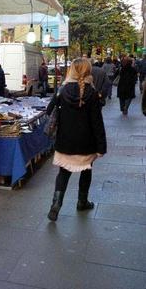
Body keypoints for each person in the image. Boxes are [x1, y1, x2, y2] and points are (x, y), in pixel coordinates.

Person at [46, 58, 106, 221]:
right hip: (87, 143)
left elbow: (49, 110)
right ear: (88, 71)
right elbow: (97, 122)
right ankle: (82, 201)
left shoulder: (62, 90)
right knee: (86, 171)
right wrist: (101, 146)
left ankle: (56, 205)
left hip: (65, 141)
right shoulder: (92, 93)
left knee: (63, 173)